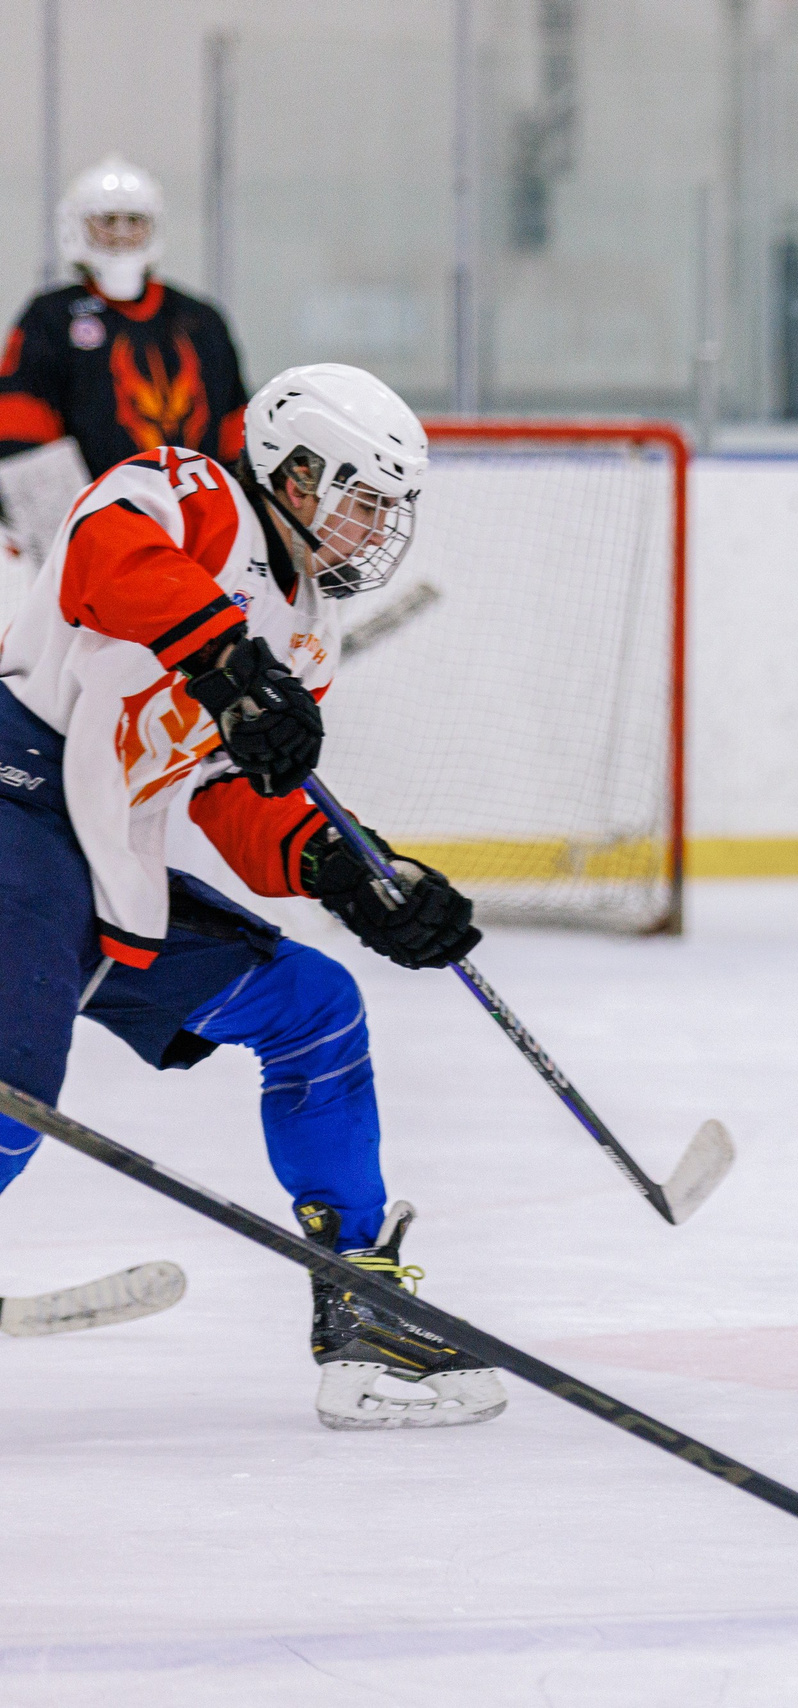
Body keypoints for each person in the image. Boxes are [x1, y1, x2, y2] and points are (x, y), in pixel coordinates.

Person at [0, 361, 501, 1430]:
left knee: (314, 1006)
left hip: (106, 858)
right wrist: (226, 660)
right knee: (15, 1077)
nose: (377, 528)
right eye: (364, 498)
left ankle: (361, 1306)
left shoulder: (307, 631)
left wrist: (353, 874)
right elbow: (102, 554)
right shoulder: (191, 494)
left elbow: (234, 791)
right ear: (299, 472)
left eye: (389, 509)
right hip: (14, 803)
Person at [0, 156, 250, 557]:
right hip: (92, 542)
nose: (121, 233)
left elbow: (235, 433)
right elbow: (21, 433)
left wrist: (235, 528)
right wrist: (67, 540)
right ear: (77, 226)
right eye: (107, 221)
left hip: (197, 539)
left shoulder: (202, 321)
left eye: (134, 221)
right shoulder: (49, 318)